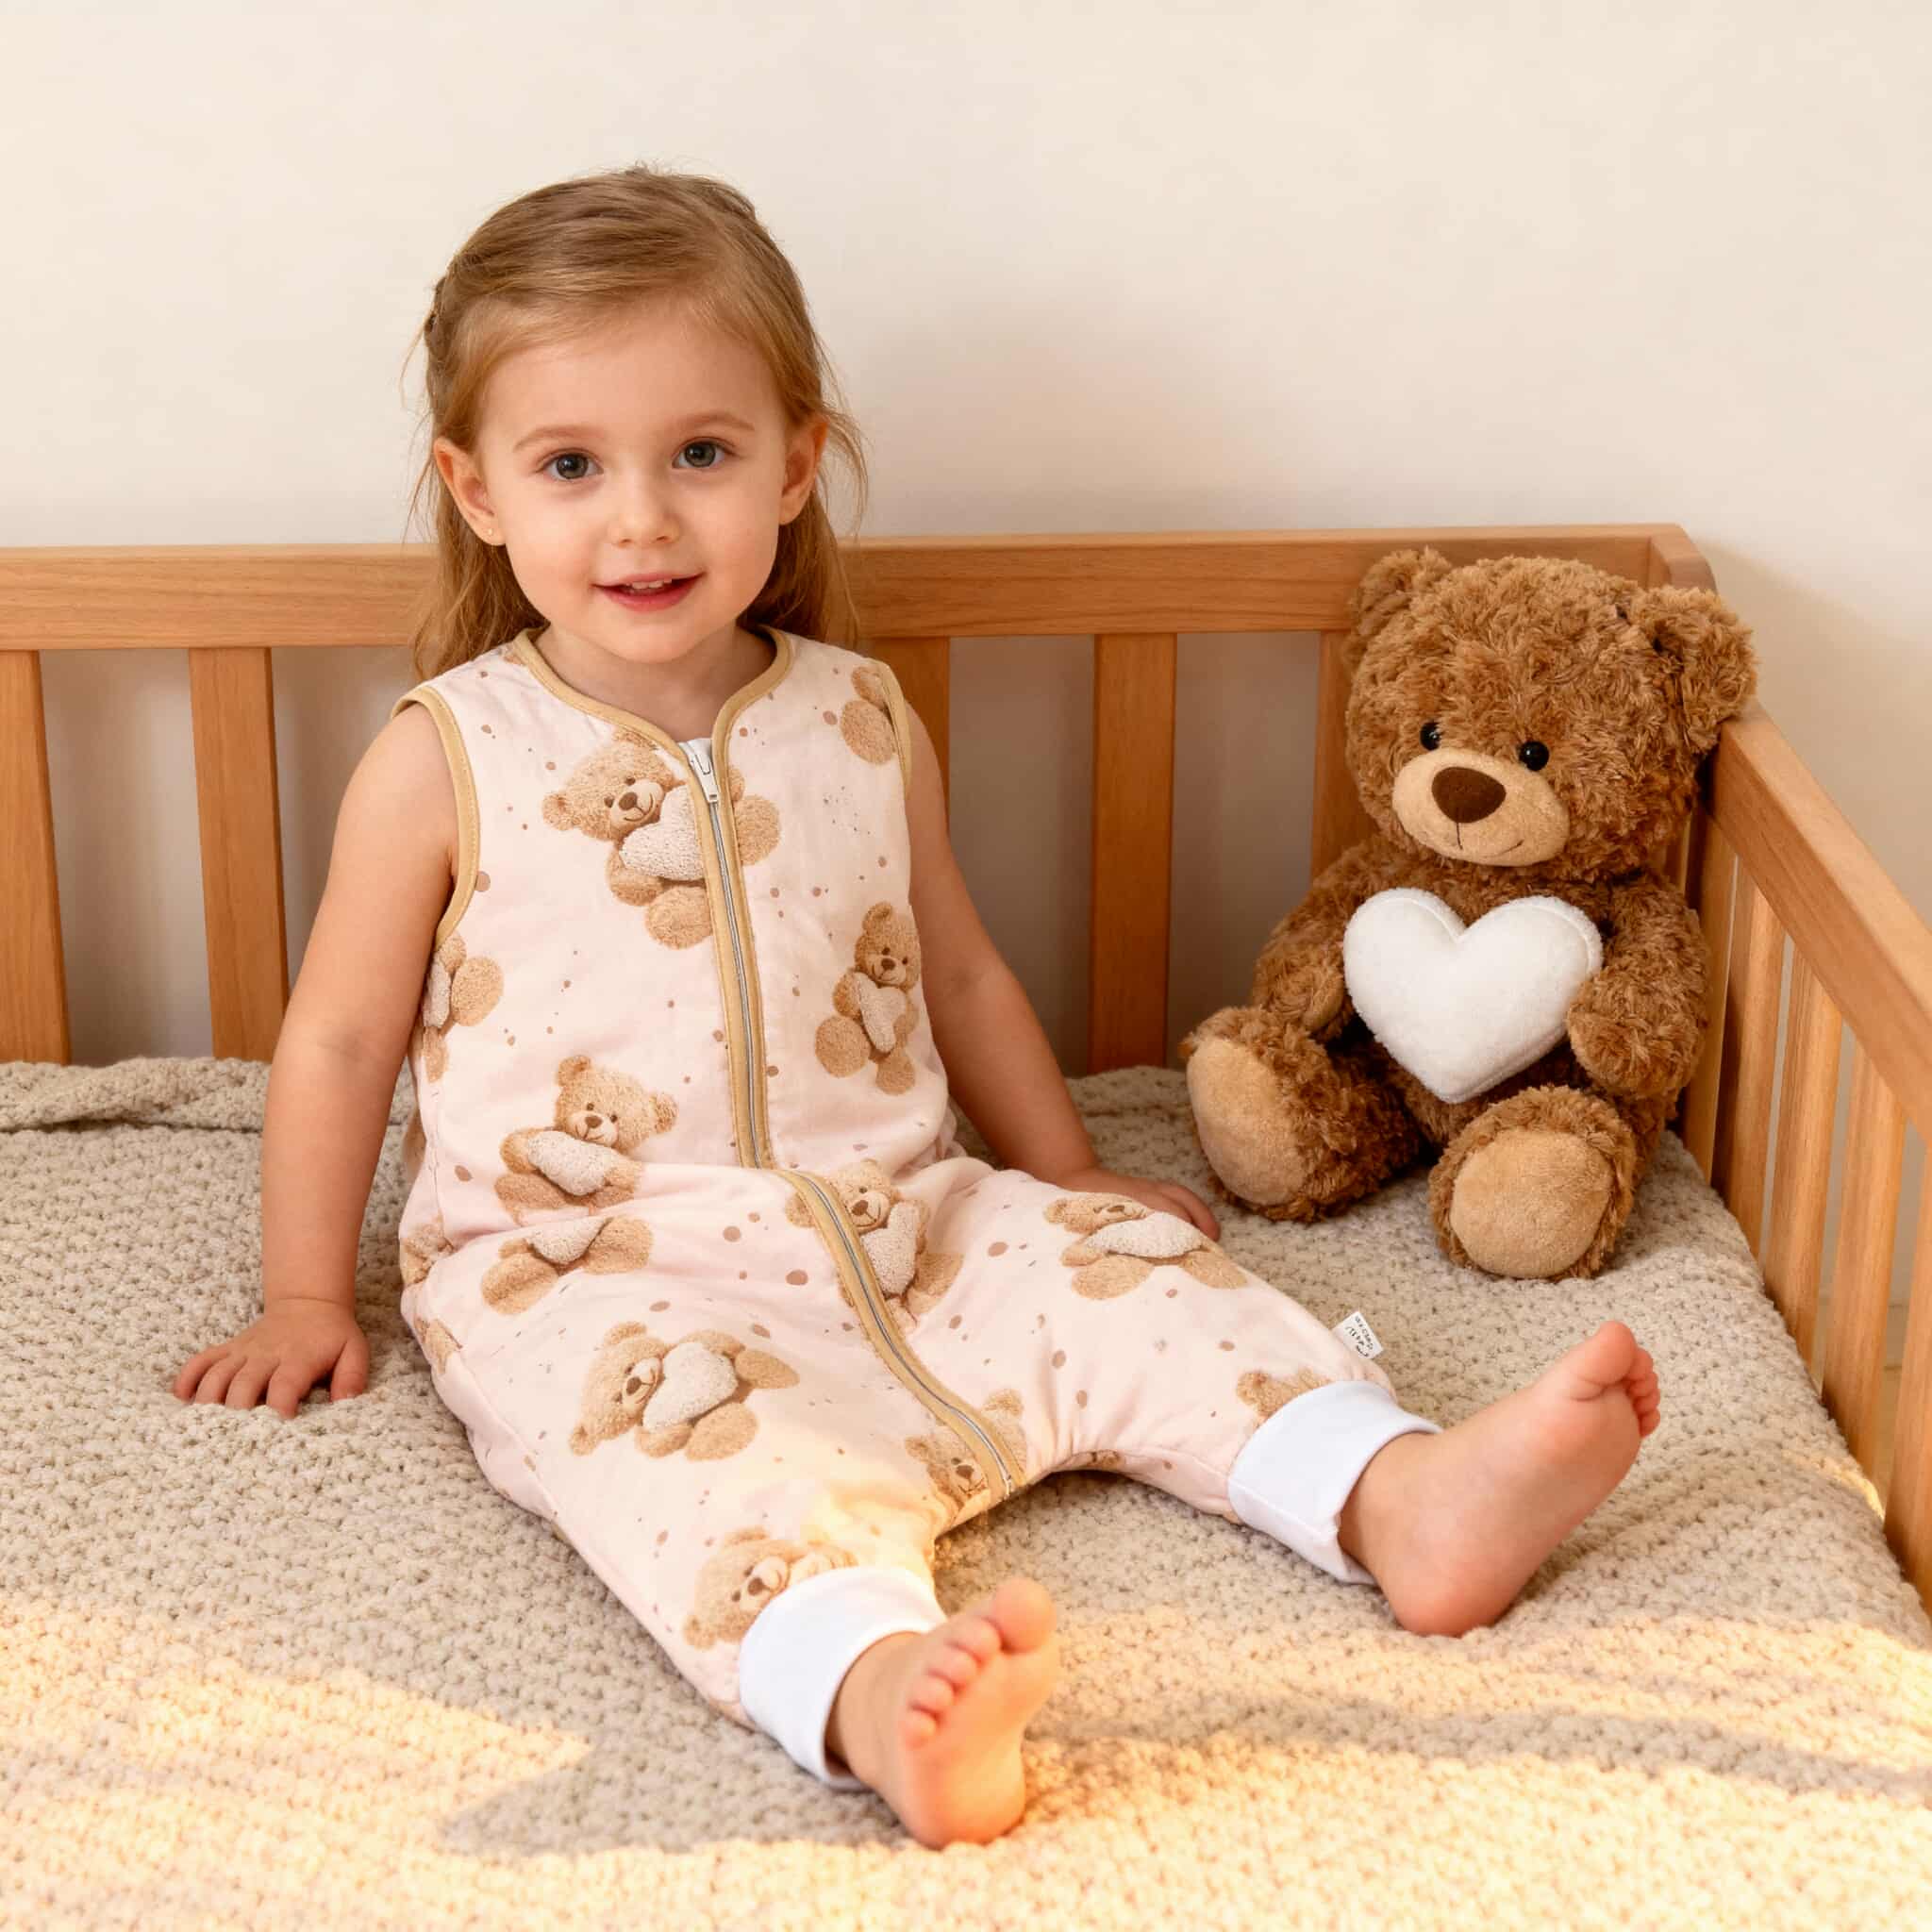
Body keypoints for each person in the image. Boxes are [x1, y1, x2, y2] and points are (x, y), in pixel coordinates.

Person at [172, 164, 1661, 1849]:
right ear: (479, 489)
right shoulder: (449, 755)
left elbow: (953, 970)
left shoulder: (860, 717)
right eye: (572, 465)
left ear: (795, 464)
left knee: (1154, 1293)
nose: (641, 520)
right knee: (690, 1459)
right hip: (599, 1264)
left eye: (700, 453)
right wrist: (306, 1293)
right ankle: (878, 1689)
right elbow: (340, 1041)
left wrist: (1068, 1175)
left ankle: (1396, 1493)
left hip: (911, 1216)